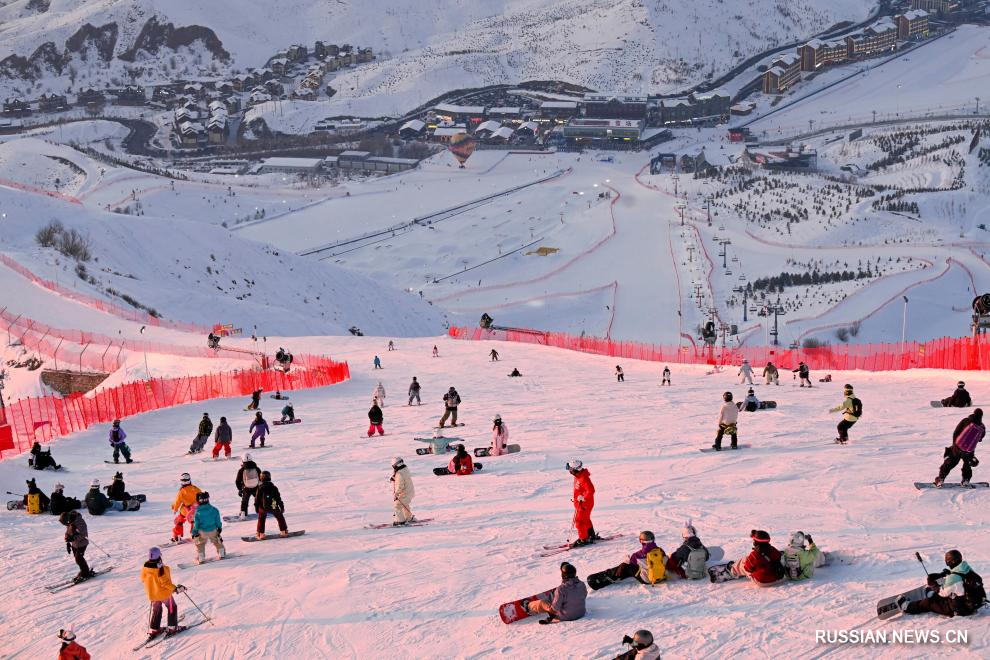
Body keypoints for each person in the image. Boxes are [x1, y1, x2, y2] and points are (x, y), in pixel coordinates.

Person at [899, 550, 985, 617]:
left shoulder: (953, 578)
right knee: (946, 591)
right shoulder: (967, 569)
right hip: (970, 603)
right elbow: (956, 582)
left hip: (960, 609)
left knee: (930, 603)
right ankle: (932, 594)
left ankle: (906, 607)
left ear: (949, 561)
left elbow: (943, 593)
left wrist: (934, 586)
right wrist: (946, 574)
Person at [141, 547, 186, 640]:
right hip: (164, 594)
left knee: (156, 610)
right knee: (172, 607)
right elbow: (165, 583)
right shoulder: (162, 569)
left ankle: (154, 629)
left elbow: (143, 579)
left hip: (153, 594)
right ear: (159, 556)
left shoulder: (145, 567)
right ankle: (172, 628)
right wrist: (176, 589)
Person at [522, 562, 587, 624]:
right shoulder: (582, 584)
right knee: (558, 593)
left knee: (542, 603)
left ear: (563, 575)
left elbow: (554, 609)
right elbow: (583, 595)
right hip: (580, 613)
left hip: (565, 616)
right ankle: (552, 597)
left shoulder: (561, 589)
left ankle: (528, 607)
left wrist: (550, 611)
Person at [935, 408, 985, 487]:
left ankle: (941, 479)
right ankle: (965, 481)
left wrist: (955, 444)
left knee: (950, 463)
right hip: (969, 451)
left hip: (957, 447)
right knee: (967, 465)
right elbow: (980, 439)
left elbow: (956, 432)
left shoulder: (966, 420)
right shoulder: (982, 427)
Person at [598, 531, 668, 586]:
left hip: (648, 580)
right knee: (641, 565)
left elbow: (630, 562)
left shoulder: (637, 555)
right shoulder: (660, 550)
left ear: (641, 541)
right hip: (661, 577)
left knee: (626, 566)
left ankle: (613, 577)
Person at [721, 530, 785, 585]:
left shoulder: (755, 555)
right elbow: (778, 556)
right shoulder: (773, 550)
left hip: (762, 582)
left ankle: (732, 571)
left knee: (744, 561)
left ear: (755, 542)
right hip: (777, 579)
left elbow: (747, 569)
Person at [568, 460, 598, 546]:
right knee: (585, 519)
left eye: (570, 469)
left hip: (584, 504)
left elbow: (591, 490)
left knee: (579, 521)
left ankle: (583, 539)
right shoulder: (578, 476)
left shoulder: (583, 478)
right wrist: (575, 498)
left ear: (575, 470)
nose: (569, 471)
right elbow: (580, 489)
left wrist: (583, 498)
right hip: (582, 503)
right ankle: (591, 535)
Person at [59, 510, 94, 583]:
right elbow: (68, 532)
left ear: (68, 520)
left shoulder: (80, 522)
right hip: (75, 544)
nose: (66, 525)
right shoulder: (70, 521)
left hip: (82, 543)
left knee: (79, 558)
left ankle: (85, 573)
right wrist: (67, 541)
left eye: (66, 523)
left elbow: (83, 534)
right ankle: (83, 570)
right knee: (77, 559)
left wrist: (73, 538)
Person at [191, 492, 226, 564]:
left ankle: (201, 557)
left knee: (200, 543)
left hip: (202, 532)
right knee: (217, 541)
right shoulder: (214, 510)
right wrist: (219, 528)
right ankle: (221, 552)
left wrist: (194, 532)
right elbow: (218, 521)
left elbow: (196, 524)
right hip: (213, 530)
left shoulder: (197, 512)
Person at [256, 471, 289, 539]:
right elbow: (278, 498)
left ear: (261, 478)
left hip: (263, 508)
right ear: (270, 477)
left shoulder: (259, 488)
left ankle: (261, 534)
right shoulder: (274, 487)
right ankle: (283, 532)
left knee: (261, 518)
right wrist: (282, 507)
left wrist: (257, 508)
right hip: (273, 506)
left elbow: (257, 500)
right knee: (280, 517)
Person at [171, 473, 201, 542]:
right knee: (194, 522)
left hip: (185, 510)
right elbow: (201, 498)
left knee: (180, 521)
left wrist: (175, 508)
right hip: (195, 510)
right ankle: (195, 535)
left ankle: (177, 536)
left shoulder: (182, 491)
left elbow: (178, 501)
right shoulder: (196, 489)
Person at [235, 454, 262, 518]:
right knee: (258, 499)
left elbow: (237, 481)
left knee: (244, 501)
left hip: (246, 488)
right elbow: (261, 478)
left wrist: (240, 489)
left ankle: (243, 513)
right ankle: (260, 511)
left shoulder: (241, 470)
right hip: (256, 487)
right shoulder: (256, 468)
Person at [391, 457, 415, 526]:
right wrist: (394, 477)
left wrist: (396, 494)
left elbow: (400, 486)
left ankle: (400, 521)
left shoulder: (399, 474)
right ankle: (408, 518)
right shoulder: (405, 469)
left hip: (405, 493)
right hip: (409, 492)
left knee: (397, 505)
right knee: (404, 505)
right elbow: (403, 478)